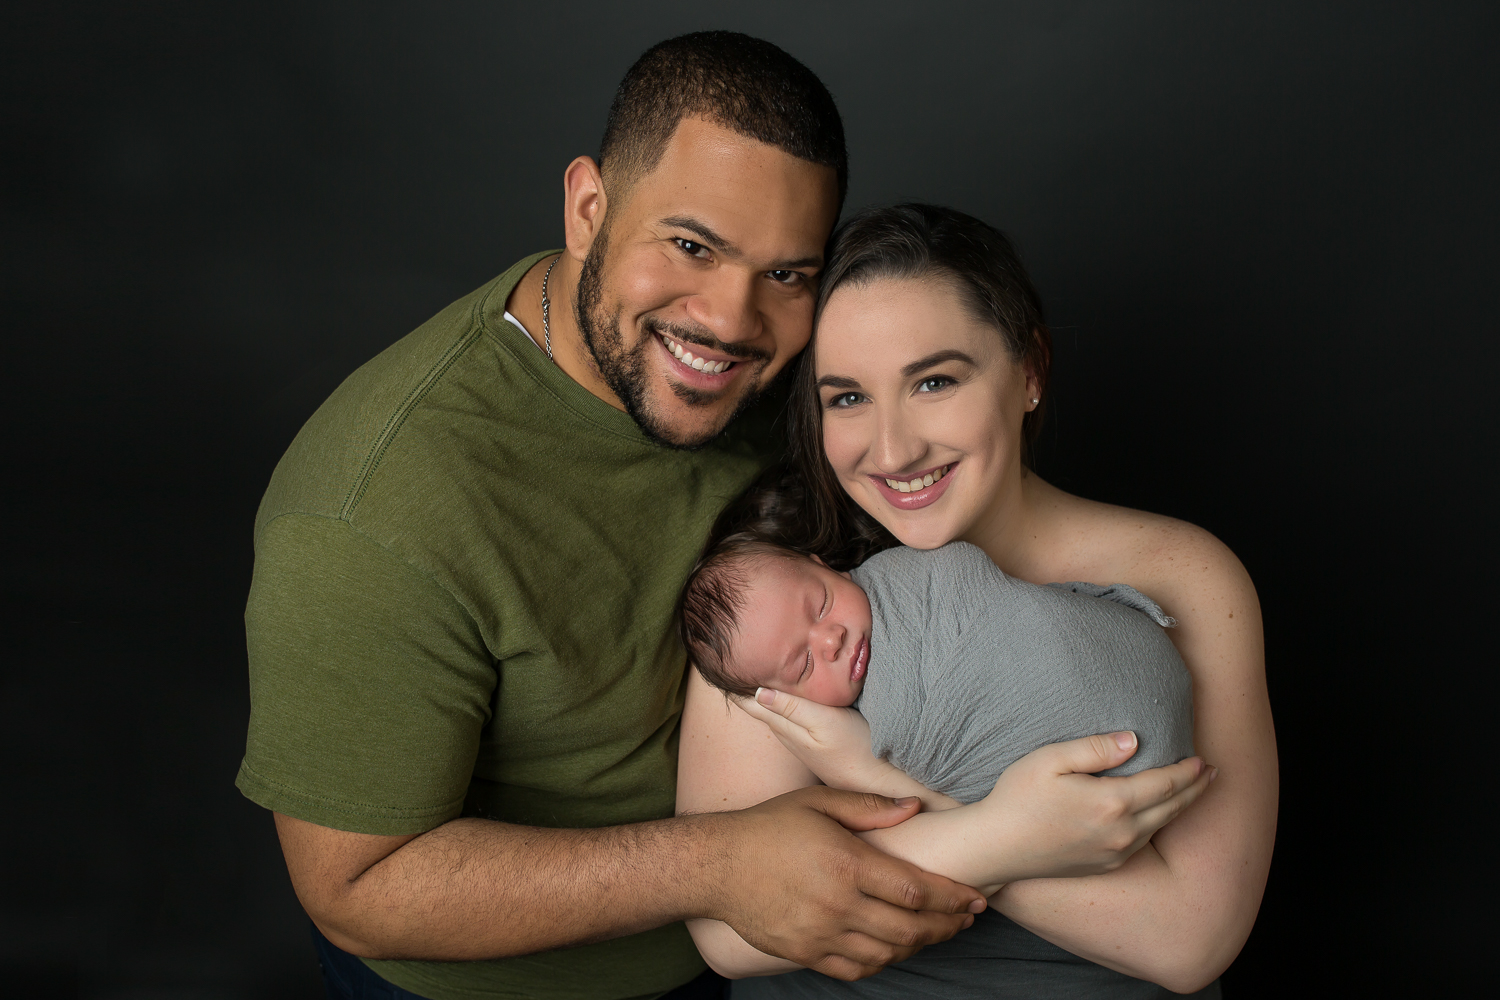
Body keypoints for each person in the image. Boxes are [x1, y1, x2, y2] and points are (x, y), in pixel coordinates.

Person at [239, 31, 1212, 1000]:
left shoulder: (797, 386)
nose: (731, 321)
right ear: (588, 209)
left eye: (786, 273)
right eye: (691, 246)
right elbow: (357, 889)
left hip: (765, 944)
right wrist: (716, 863)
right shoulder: (371, 513)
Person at [678, 205, 1276, 997]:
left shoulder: (1181, 574)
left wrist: (882, 778)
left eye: (934, 381)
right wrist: (1002, 836)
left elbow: (1190, 940)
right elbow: (729, 931)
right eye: (847, 398)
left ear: (1029, 372)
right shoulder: (780, 591)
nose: (893, 450)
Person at [677, 535, 1195, 804]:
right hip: (1129, 764)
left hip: (1127, 659)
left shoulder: (899, 571)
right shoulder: (864, 730)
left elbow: (966, 576)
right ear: (785, 700)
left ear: (824, 564)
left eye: (821, 604)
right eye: (804, 663)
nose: (831, 639)